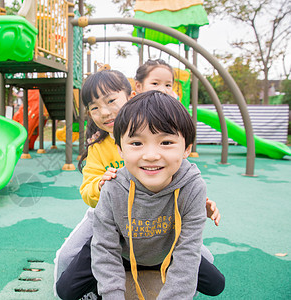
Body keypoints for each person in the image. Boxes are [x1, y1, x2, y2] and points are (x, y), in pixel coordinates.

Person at [54, 65, 224, 299]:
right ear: (120, 148)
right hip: (112, 214)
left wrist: (196, 202)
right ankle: (97, 287)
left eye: (111, 101)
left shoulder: (181, 168)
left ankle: (156, 270)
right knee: (68, 263)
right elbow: (90, 192)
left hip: (161, 222)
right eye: (94, 108)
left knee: (208, 271)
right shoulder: (100, 150)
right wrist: (102, 187)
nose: (104, 112)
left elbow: (183, 182)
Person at [92, 90, 211, 299]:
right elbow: (105, 248)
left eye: (166, 142)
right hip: (124, 253)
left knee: (214, 284)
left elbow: (187, 253)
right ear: (120, 149)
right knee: (68, 288)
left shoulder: (193, 187)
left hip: (163, 252)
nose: (151, 156)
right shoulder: (112, 187)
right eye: (137, 143)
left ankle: (155, 271)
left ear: (186, 149)